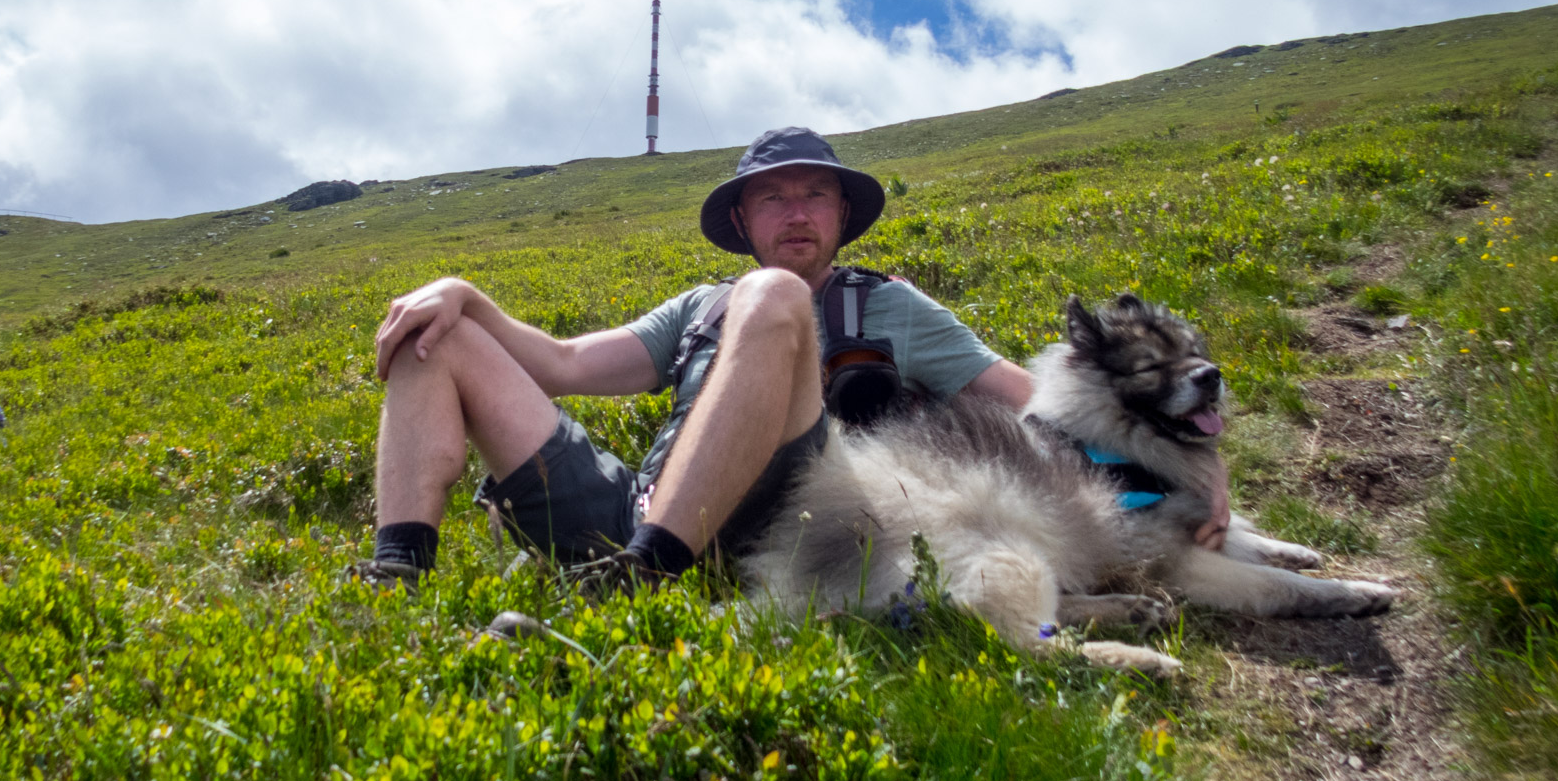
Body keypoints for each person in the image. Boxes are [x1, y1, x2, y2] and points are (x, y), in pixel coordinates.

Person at [355, 126, 1227, 590]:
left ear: (845, 216)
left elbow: (1039, 406)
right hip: (644, 500)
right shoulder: (699, 307)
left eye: (816, 194)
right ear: (743, 223)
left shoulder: (888, 305)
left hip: (800, 520)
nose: (796, 212)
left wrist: (1197, 465)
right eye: (771, 199)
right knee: (437, 332)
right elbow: (566, 364)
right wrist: (461, 290)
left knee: (769, 296)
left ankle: (649, 581)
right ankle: (398, 573)